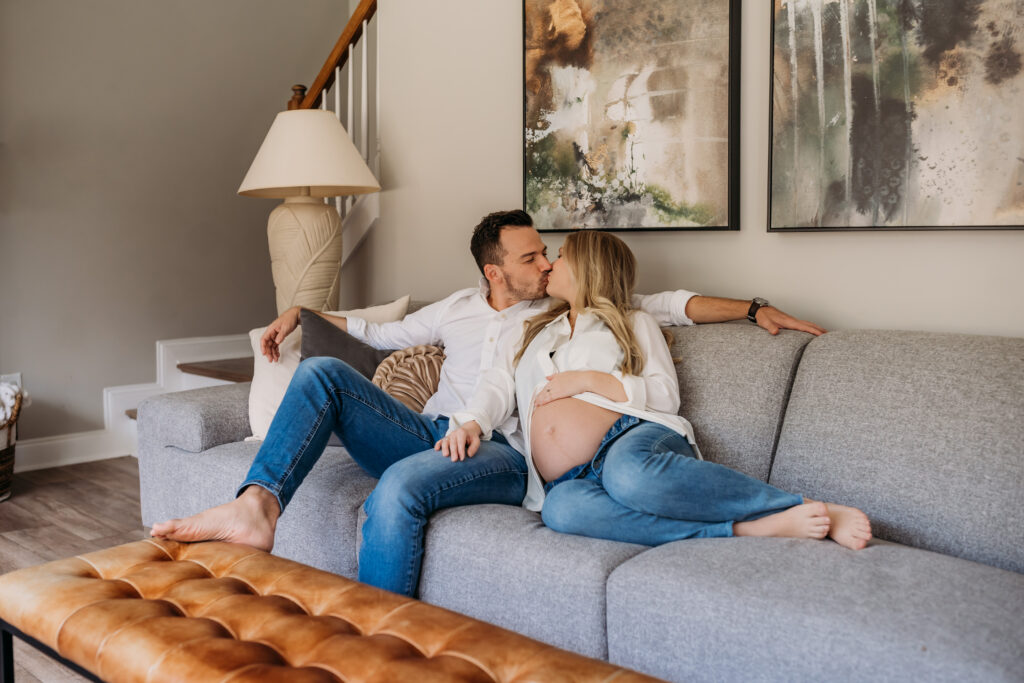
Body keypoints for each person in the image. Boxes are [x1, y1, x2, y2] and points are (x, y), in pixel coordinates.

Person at [151, 210, 829, 596]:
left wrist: (753, 307)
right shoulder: (458, 310)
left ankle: (374, 636)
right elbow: (377, 332)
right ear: (493, 270)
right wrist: (303, 309)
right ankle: (256, 505)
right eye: (532, 257)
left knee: (398, 488)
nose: (544, 264)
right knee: (322, 374)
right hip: (431, 428)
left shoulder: (569, 309)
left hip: (501, 452)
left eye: (547, 255)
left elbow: (662, 303)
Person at [435, 230, 871, 550]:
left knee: (629, 476)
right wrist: (472, 421)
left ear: (588, 268)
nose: (549, 264)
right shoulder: (531, 330)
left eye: (561, 256)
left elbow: (664, 395)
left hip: (631, 437)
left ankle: (808, 506)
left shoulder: (632, 321)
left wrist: (589, 381)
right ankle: (742, 530)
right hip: (569, 479)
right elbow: (495, 382)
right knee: (560, 512)